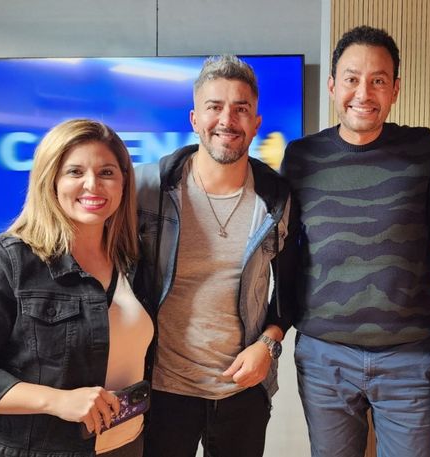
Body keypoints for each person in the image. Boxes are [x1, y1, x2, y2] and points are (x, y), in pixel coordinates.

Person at [281, 26, 430, 457]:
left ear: (395, 89)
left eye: (378, 80)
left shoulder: (425, 150)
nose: (364, 93)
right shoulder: (301, 157)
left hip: (408, 358)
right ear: (332, 86)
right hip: (324, 357)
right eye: (352, 79)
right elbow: (285, 249)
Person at [0, 119, 152, 456]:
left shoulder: (131, 258)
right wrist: (57, 401)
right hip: (37, 448)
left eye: (107, 172)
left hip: (126, 442)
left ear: (124, 182)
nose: (92, 185)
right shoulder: (4, 261)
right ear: (50, 180)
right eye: (75, 172)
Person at [133, 55, 296, 457]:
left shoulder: (276, 198)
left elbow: (291, 288)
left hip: (242, 392)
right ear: (194, 118)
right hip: (162, 391)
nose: (227, 120)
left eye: (241, 109)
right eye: (214, 107)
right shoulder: (147, 189)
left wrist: (269, 344)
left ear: (256, 123)